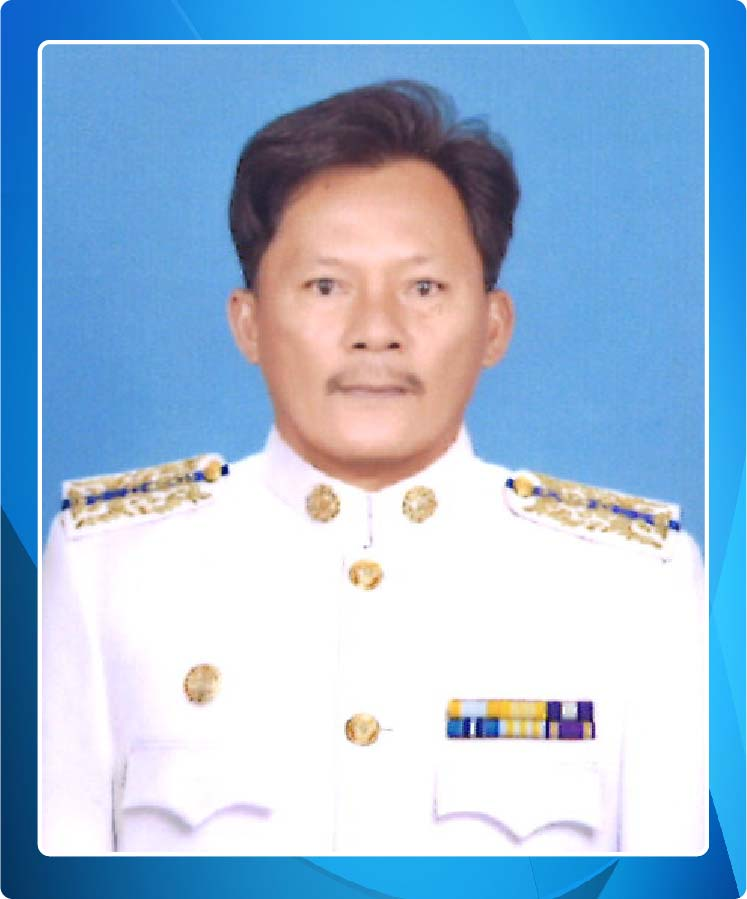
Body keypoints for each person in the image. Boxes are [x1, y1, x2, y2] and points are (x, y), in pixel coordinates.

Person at [41, 80, 706, 856]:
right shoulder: (105, 568)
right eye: (326, 286)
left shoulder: (634, 585)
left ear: (493, 326)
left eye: (423, 287)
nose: (376, 331)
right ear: (248, 323)